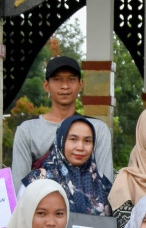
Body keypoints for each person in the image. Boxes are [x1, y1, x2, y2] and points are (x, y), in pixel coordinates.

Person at [10, 56, 114, 190]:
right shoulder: (27, 130)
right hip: (42, 208)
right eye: (57, 79)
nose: (65, 86)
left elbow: (105, 184)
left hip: (87, 210)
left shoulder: (97, 129)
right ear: (46, 85)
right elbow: (19, 187)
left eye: (71, 79)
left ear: (80, 84)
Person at [24, 114, 113, 215]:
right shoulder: (36, 181)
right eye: (73, 139)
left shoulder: (103, 184)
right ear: (61, 140)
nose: (80, 147)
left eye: (87, 141)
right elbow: (22, 221)